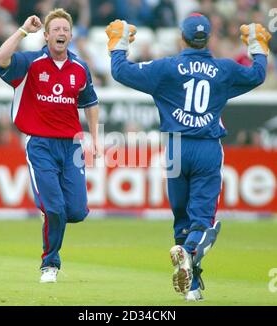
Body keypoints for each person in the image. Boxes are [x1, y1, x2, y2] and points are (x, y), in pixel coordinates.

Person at [105, 15, 271, 301]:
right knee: (202, 221)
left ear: (181, 38)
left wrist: (119, 43)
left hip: (176, 149)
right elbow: (257, 74)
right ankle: (190, 253)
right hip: (206, 147)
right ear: (209, 39)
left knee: (181, 218)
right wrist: (257, 45)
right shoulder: (224, 69)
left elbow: (120, 72)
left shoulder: (166, 68)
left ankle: (191, 286)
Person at [0, 8, 100, 283]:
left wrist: (96, 138)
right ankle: (49, 264)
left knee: (75, 212)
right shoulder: (30, 63)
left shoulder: (79, 68)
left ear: (71, 34)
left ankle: (51, 218)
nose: (61, 33)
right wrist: (21, 31)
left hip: (71, 146)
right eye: (56, 29)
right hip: (40, 144)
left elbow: (90, 102)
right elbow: (0, 58)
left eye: (65, 29)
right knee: (54, 208)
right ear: (46, 35)